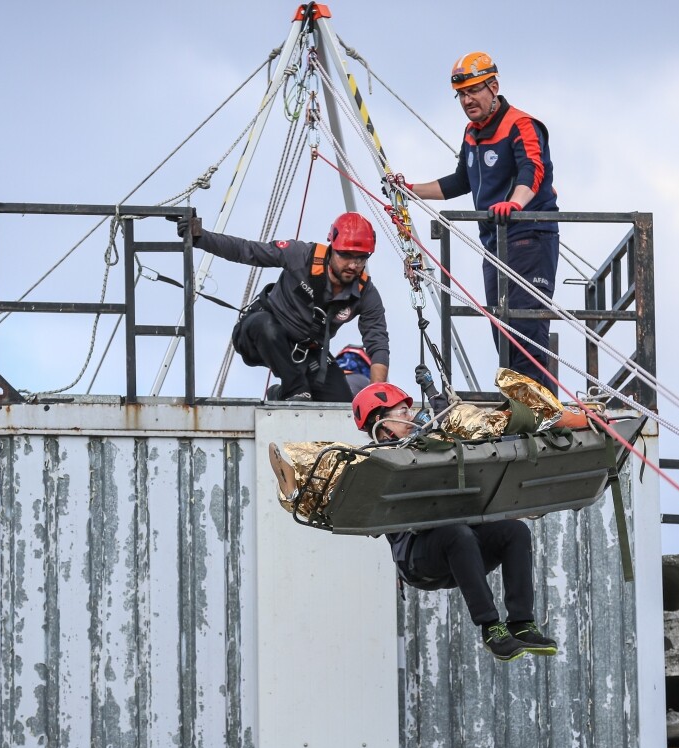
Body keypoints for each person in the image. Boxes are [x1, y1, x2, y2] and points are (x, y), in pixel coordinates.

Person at [352, 380, 558, 661]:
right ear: (381, 423)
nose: (410, 416)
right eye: (402, 412)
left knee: (515, 532)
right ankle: (490, 627)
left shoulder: (428, 444)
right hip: (419, 557)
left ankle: (521, 623)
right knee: (456, 534)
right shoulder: (379, 462)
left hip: (463, 549)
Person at [405, 51, 561, 394]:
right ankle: (520, 402)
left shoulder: (521, 124)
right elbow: (461, 181)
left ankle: (540, 408)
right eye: (461, 94)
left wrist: (514, 204)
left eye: (474, 91)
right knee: (502, 332)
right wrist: (409, 190)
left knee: (525, 330)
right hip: (495, 244)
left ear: (494, 87)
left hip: (528, 236)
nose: (467, 100)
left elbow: (532, 169)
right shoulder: (471, 134)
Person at [180, 212, 390, 401]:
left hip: (305, 351)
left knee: (342, 405)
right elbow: (248, 251)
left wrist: (377, 398)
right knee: (269, 330)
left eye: (361, 258)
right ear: (332, 247)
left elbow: (378, 343)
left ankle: (280, 394)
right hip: (259, 334)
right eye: (346, 255)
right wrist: (201, 238)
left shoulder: (365, 293)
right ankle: (293, 390)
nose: (353, 265)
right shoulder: (301, 256)